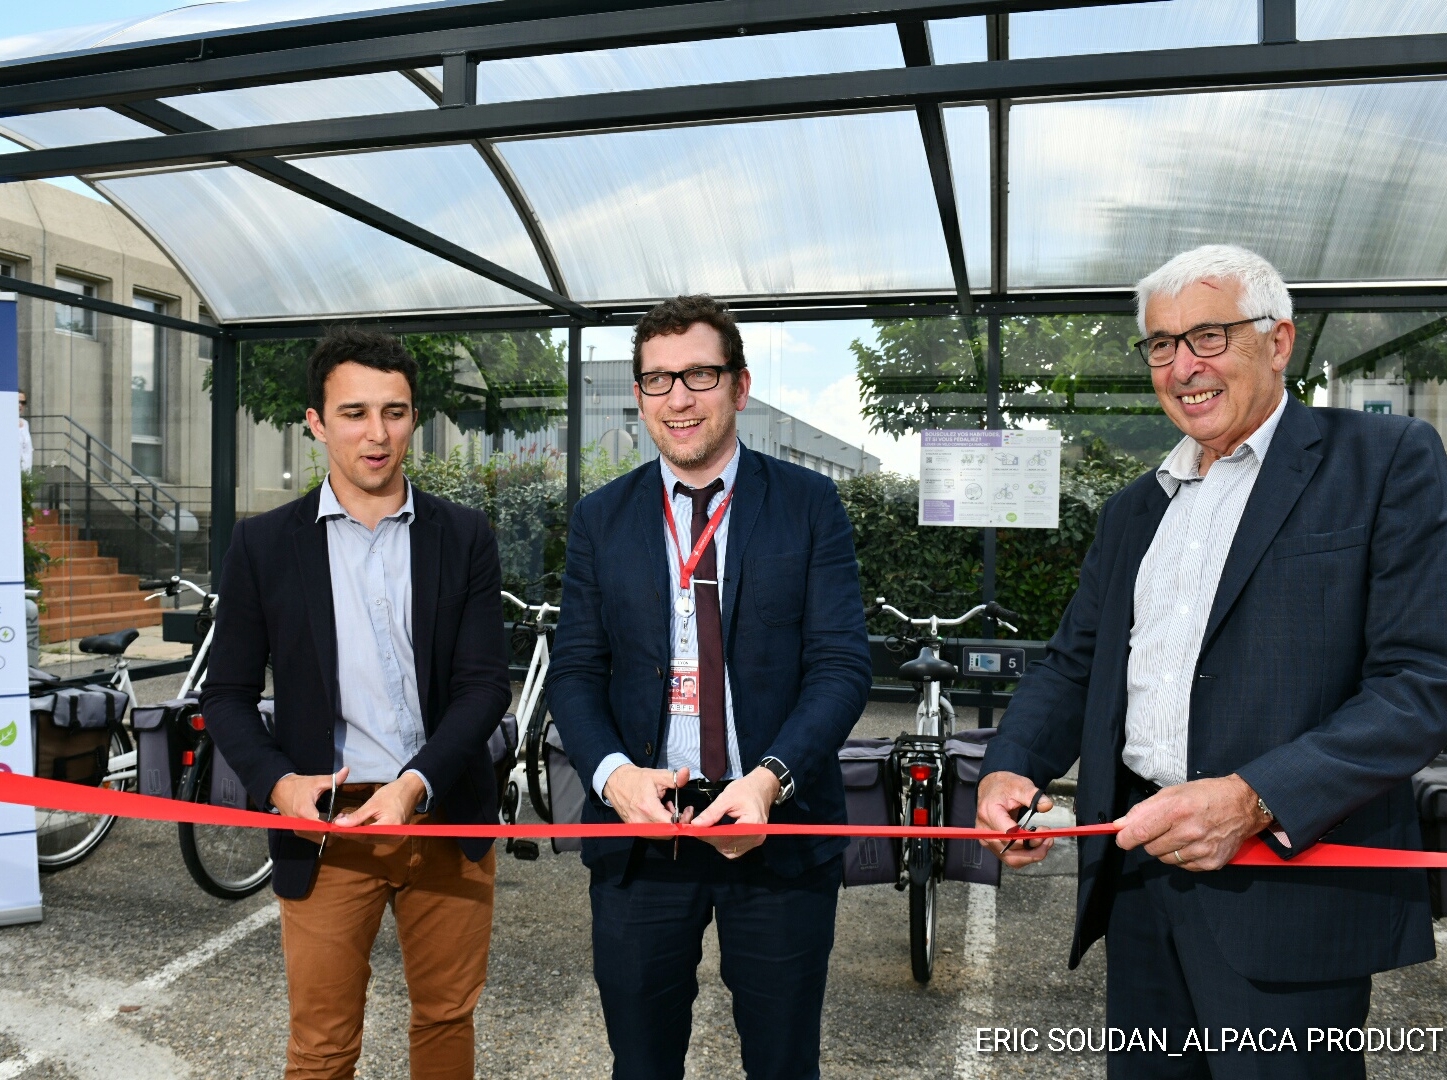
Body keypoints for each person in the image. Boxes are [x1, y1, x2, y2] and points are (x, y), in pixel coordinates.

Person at [976, 245, 1447, 1079]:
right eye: (1161, 344)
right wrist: (1010, 766)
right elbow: (1074, 665)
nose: (1182, 366)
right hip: (1139, 876)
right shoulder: (1133, 508)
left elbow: (1420, 682)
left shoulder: (1384, 460)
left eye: (1208, 336)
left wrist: (1255, 798)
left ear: (1278, 341)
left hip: (1288, 890)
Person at [547, 295, 873, 1080]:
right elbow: (576, 670)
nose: (678, 398)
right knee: (641, 1063)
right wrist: (613, 778)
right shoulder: (600, 517)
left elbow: (840, 665)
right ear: (638, 396)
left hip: (774, 832)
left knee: (782, 1062)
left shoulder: (808, 504)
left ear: (739, 385)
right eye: (657, 380)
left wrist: (768, 781)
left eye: (699, 374)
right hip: (642, 833)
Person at [202, 327, 511, 1080]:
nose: (377, 434)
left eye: (394, 412)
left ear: (414, 419)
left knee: (446, 1021)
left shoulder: (463, 535)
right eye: (354, 413)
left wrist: (415, 784)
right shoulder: (264, 545)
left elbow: (482, 687)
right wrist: (279, 784)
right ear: (315, 422)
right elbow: (228, 696)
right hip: (327, 828)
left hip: (444, 813)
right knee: (322, 1047)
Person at [17, 389, 31, 473]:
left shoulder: (25, 424)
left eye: (23, 402)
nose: (20, 405)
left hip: (26, 472)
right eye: (17, 402)